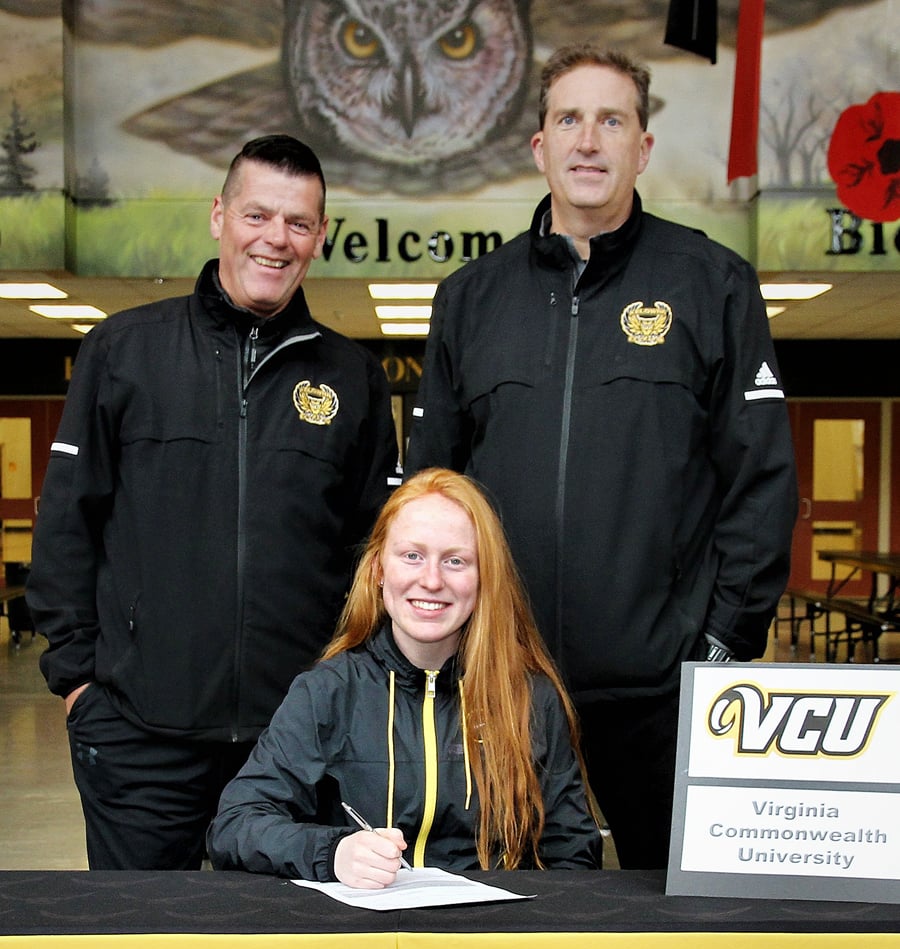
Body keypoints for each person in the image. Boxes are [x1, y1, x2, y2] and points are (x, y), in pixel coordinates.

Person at [404, 45, 798, 869]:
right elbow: (431, 491)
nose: (590, 140)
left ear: (642, 147)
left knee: (676, 921)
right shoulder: (471, 298)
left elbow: (760, 482)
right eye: (569, 120)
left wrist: (718, 648)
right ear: (540, 146)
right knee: (506, 912)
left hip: (662, 694)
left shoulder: (712, 284)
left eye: (612, 120)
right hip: (504, 687)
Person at [26, 134, 400, 870]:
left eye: (298, 222)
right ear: (219, 216)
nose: (276, 238)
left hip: (295, 743)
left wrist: (349, 699)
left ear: (320, 237)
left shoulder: (354, 377)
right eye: (257, 215)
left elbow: (373, 555)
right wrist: (77, 685)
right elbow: (68, 522)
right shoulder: (124, 350)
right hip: (139, 735)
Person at [207, 468, 602, 884]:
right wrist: (333, 853)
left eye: (455, 561)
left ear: (484, 577)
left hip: (488, 937)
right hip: (362, 937)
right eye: (412, 556)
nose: (430, 580)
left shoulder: (529, 695)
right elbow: (235, 825)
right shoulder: (327, 692)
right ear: (378, 569)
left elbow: (573, 854)